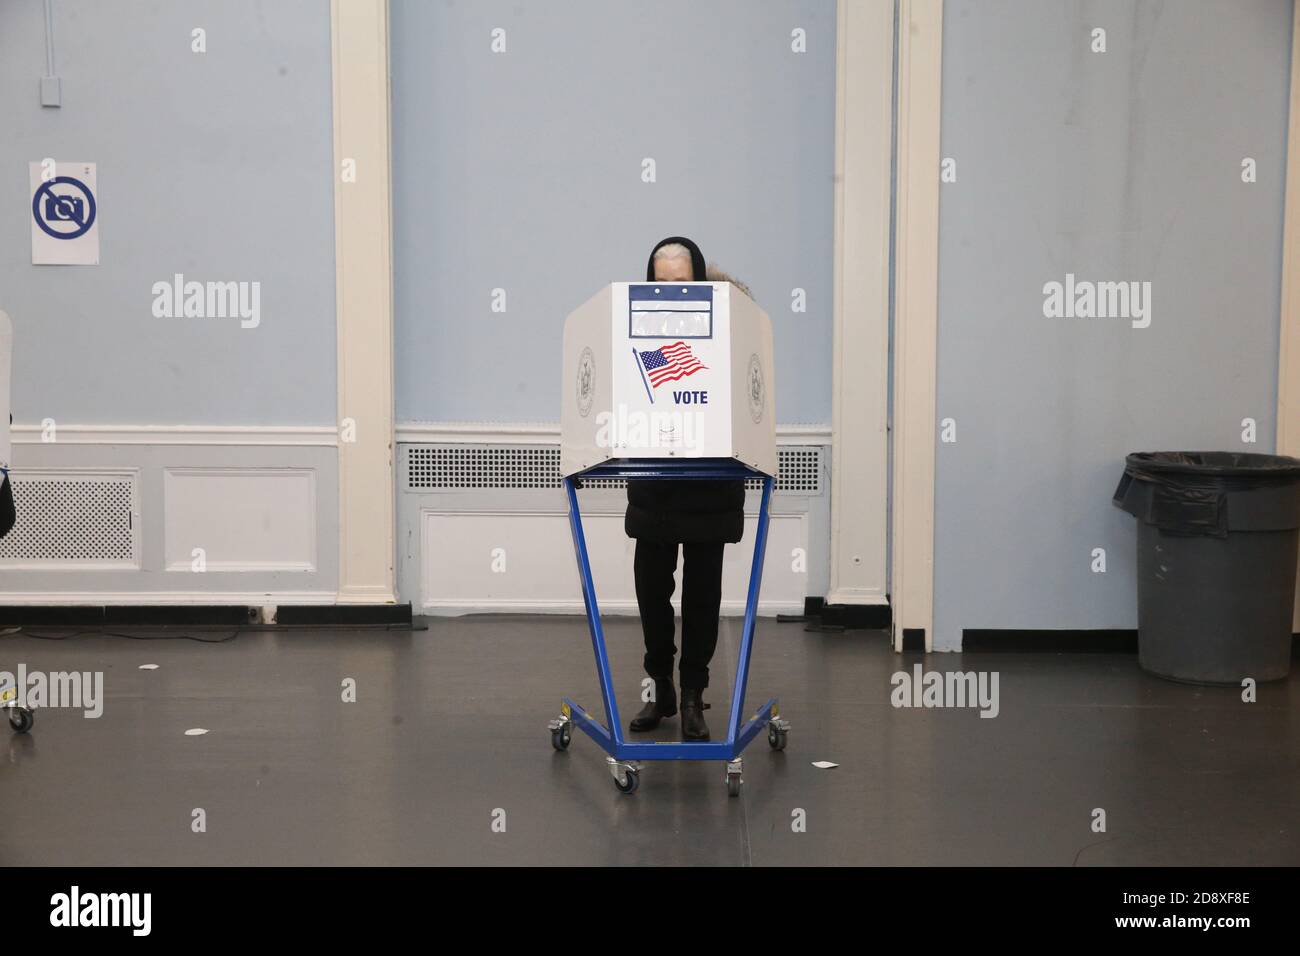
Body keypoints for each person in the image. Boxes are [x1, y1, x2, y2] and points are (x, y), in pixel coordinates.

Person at [625, 236, 749, 741]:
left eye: (681, 282)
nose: (670, 291)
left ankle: (694, 695)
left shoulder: (732, 324)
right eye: (660, 283)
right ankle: (661, 691)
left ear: (698, 280)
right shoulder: (630, 330)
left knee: (702, 597)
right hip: (655, 479)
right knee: (652, 593)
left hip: (709, 480)